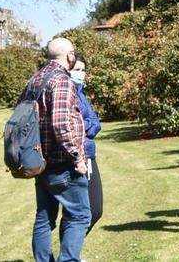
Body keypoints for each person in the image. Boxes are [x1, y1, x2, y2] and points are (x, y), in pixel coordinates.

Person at [26, 36, 91, 261]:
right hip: (62, 164)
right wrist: (77, 158)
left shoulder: (35, 79)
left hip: (40, 161)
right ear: (69, 55)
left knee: (44, 218)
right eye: (73, 52)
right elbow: (61, 124)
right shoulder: (62, 81)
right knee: (80, 216)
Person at [55, 55, 103, 239]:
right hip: (76, 156)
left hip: (89, 154)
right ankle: (68, 255)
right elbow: (68, 125)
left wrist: (82, 127)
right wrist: (83, 128)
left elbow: (95, 123)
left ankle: (69, 253)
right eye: (77, 70)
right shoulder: (66, 92)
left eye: (83, 70)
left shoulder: (81, 94)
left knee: (95, 210)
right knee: (77, 212)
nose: (80, 74)